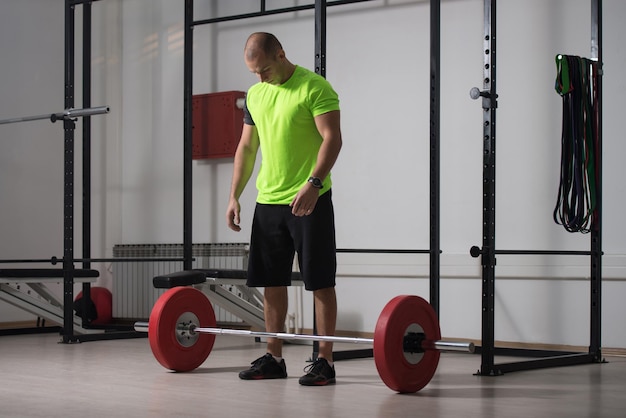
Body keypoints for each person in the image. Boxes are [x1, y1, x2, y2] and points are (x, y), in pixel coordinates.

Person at [226, 32, 342, 386]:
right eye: (253, 73)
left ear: (281, 55)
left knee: (319, 281)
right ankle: (274, 357)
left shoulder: (314, 87)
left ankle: (325, 361)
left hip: (310, 199)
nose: (260, 78)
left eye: (264, 69)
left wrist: (315, 183)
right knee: (271, 282)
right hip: (269, 201)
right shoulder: (256, 96)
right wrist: (234, 195)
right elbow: (246, 148)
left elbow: (332, 138)